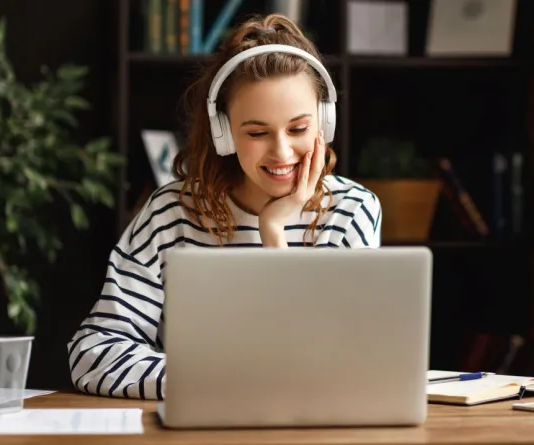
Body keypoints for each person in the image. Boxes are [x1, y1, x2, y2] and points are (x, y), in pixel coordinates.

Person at [67, 13, 382, 400]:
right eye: (257, 132)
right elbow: (94, 353)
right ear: (224, 132)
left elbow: (342, 363)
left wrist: (274, 232)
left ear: (324, 123)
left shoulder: (351, 211)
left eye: (298, 129)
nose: (282, 152)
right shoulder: (171, 213)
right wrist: (216, 382)